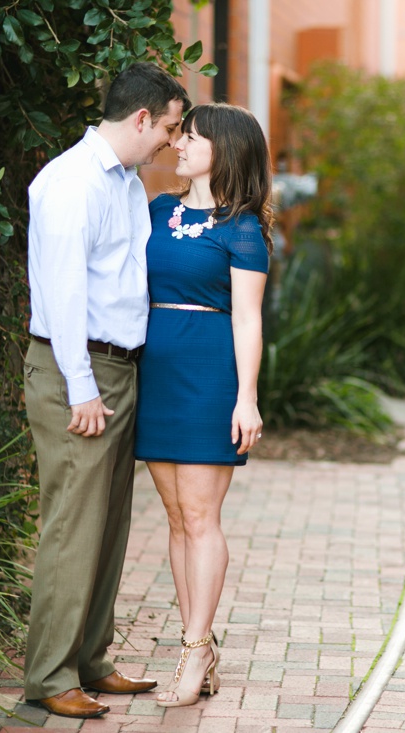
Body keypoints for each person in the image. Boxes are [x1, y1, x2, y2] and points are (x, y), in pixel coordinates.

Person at [22, 62, 191, 720]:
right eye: (171, 129)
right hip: (78, 370)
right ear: (141, 118)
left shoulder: (127, 181)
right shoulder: (69, 184)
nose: (173, 143)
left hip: (122, 367)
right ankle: (50, 673)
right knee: (72, 527)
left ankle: (90, 656)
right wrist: (82, 389)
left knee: (110, 524)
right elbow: (64, 296)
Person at [134, 103, 273, 707]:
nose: (180, 145)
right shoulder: (157, 211)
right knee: (174, 518)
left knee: (201, 518)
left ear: (226, 148)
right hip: (155, 371)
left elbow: (248, 318)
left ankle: (192, 650)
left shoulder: (241, 228)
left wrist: (247, 398)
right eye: (180, 135)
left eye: (192, 137)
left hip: (208, 373)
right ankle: (203, 644)